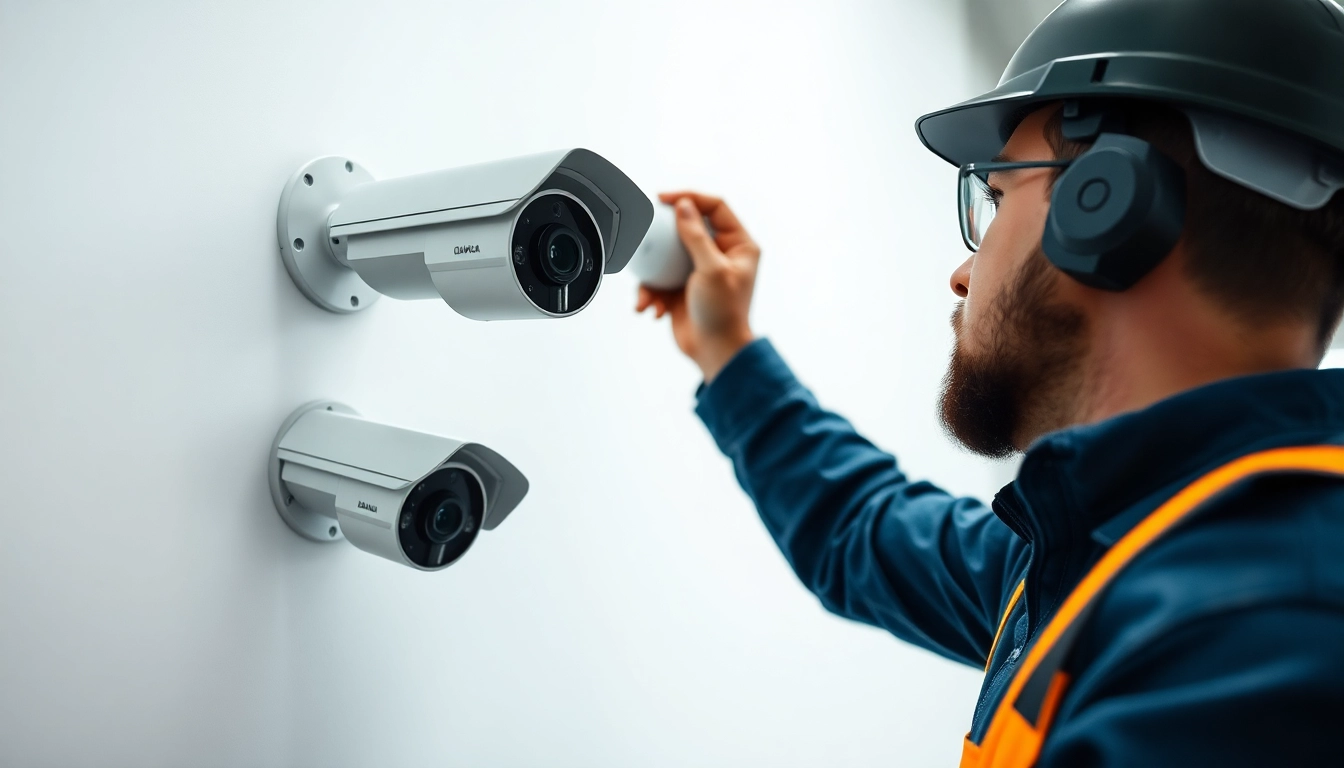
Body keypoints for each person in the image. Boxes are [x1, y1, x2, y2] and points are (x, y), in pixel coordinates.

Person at [636, 0, 1344, 765]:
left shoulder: (1260, 631)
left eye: (998, 197)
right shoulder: (1110, 549)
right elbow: (860, 529)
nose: (962, 273)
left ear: (1104, 206)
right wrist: (727, 348)